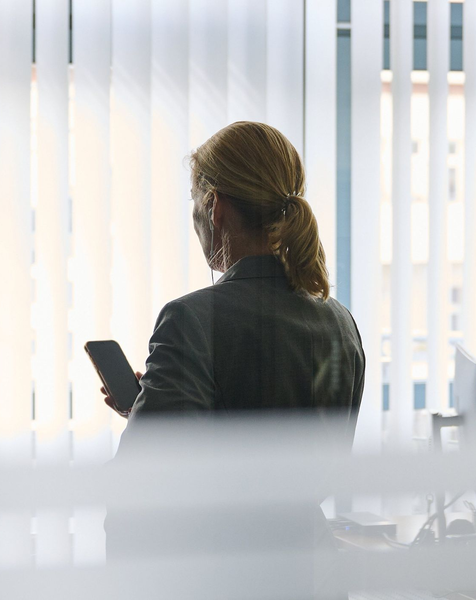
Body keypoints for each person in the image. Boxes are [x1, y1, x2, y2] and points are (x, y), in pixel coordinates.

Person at [102, 121, 364, 598]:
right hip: (311, 577)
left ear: (214, 205)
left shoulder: (191, 319)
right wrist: (149, 405)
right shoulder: (339, 323)